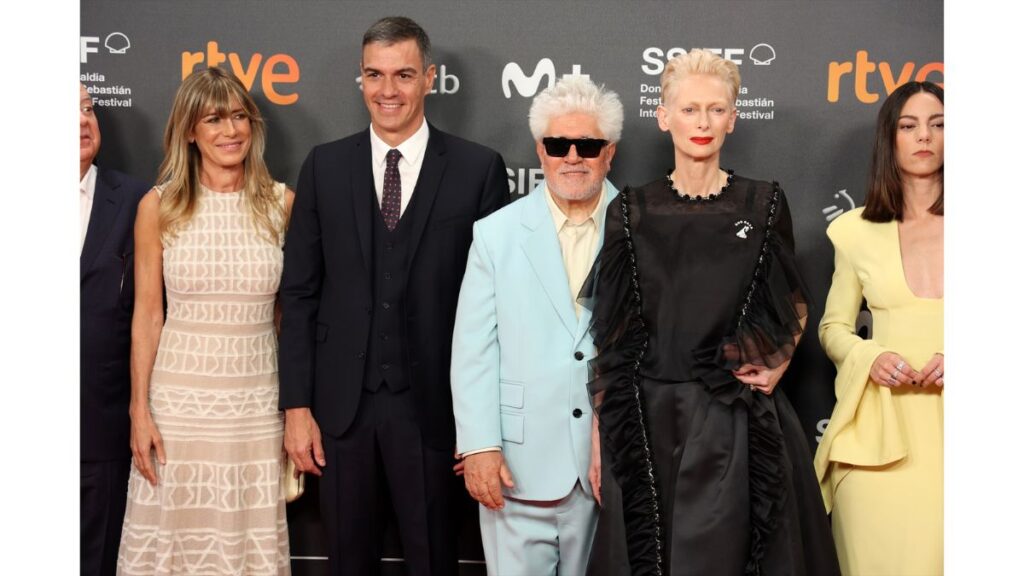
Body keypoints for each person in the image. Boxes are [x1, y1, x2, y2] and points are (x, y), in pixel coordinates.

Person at [586, 49, 840, 575]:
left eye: (716, 109)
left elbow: (791, 300)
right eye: (689, 109)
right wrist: (601, 436)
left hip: (737, 420)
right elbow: (613, 337)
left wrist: (779, 361)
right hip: (649, 421)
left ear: (734, 116)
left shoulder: (764, 202)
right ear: (663, 116)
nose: (703, 123)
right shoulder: (630, 210)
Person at [278, 16, 509, 575]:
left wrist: (481, 424)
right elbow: (300, 295)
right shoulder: (324, 166)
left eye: (403, 74)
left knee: (433, 560)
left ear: (430, 78)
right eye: (375, 75)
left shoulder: (479, 170)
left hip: (434, 409)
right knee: (347, 563)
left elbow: (497, 309)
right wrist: (297, 408)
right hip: (341, 411)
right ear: (360, 79)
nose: (388, 91)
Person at [117, 67, 293, 575]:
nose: (230, 131)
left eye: (239, 116)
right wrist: (139, 411)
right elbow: (147, 316)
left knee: (246, 543)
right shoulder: (160, 206)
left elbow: (290, 317)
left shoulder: (282, 205)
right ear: (190, 130)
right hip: (177, 410)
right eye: (214, 119)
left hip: (255, 408)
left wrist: (295, 408)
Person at [451, 76, 622, 575]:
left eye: (587, 146)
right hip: (517, 468)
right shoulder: (496, 234)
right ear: (540, 151)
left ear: (609, 153)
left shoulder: (640, 227)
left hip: (608, 464)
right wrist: (480, 444)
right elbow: (473, 348)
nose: (572, 156)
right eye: (557, 144)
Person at [814, 80, 944, 575]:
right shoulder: (853, 231)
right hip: (879, 442)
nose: (923, 137)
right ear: (890, 139)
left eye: (938, 125)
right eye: (908, 126)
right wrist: (872, 357)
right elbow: (833, 328)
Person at [80, 82, 150, 576]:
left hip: (99, 427)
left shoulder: (135, 200)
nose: (83, 121)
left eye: (87, 109)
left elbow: (151, 312)